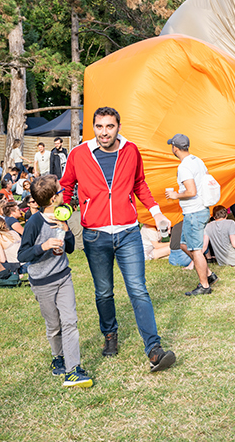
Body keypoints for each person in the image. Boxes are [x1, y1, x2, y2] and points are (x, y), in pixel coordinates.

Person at [60, 106, 175, 372]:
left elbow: (140, 184)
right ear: (93, 128)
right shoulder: (79, 154)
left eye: (109, 127)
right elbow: (66, 186)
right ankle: (109, 335)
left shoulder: (131, 151)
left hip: (128, 232)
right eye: (99, 127)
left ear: (118, 127)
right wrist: (62, 216)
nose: (104, 132)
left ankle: (154, 349)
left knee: (138, 289)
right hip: (95, 234)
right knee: (104, 292)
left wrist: (157, 214)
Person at [17, 175, 93, 388]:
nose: (63, 193)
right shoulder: (34, 222)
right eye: (60, 191)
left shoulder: (62, 216)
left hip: (63, 276)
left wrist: (66, 230)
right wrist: (43, 246)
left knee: (70, 321)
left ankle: (73, 369)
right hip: (42, 282)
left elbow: (68, 248)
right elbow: (22, 254)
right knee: (54, 326)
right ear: (52, 199)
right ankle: (57, 356)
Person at [165, 133, 219, 296]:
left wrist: (176, 195)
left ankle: (204, 286)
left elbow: (191, 191)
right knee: (184, 245)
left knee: (196, 250)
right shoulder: (197, 160)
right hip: (198, 210)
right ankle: (209, 275)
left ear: (175, 148)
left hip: (194, 211)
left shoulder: (184, 167)